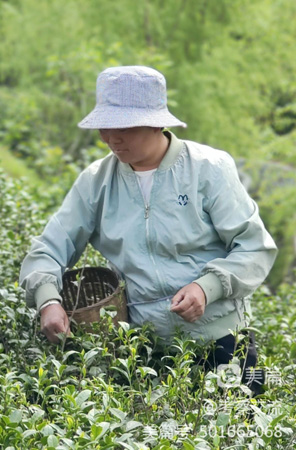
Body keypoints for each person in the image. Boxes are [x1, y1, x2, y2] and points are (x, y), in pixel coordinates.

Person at [20, 66, 277, 390]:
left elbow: (254, 247)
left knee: (239, 434)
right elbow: (48, 248)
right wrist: (48, 301)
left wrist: (205, 288)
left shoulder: (208, 169)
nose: (112, 138)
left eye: (124, 127)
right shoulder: (97, 182)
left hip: (222, 342)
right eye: (104, 128)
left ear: (157, 123)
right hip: (143, 351)